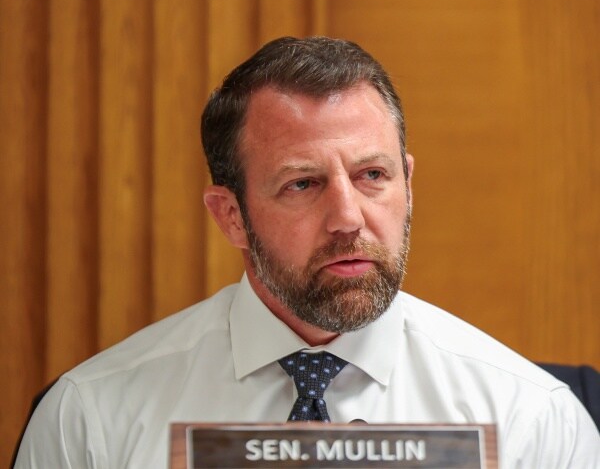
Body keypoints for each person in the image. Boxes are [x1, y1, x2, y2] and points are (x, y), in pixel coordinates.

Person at [14, 36, 599, 468]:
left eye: (373, 175)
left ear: (409, 184)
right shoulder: (91, 420)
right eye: (302, 184)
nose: (348, 218)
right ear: (231, 216)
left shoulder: (531, 418)